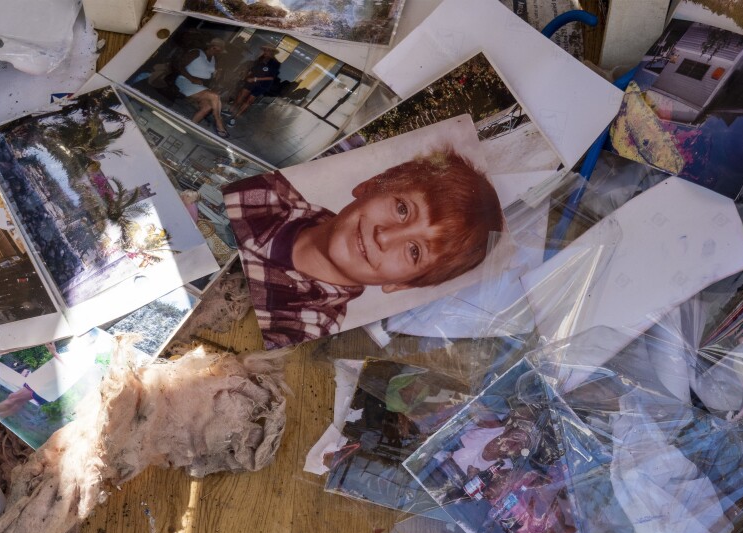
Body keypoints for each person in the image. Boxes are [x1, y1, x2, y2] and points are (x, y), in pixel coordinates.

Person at [223, 147, 503, 349]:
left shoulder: (306, 326)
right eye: (402, 209)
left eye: (415, 251)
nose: (385, 236)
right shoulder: (261, 187)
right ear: (371, 185)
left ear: (403, 284)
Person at [175, 38, 230, 138]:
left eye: (219, 50)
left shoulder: (213, 59)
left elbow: (207, 74)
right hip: (185, 80)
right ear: (210, 46)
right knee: (214, 96)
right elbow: (179, 65)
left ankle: (190, 127)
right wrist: (191, 78)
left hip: (198, 85)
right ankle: (219, 123)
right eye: (216, 48)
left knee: (207, 107)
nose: (217, 51)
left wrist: (216, 75)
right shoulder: (196, 53)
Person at [227, 45, 281, 123]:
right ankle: (230, 111)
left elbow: (271, 77)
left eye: (268, 50)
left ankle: (235, 118)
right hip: (251, 81)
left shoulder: (276, 63)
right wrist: (246, 74)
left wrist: (255, 79)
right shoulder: (260, 59)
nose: (265, 51)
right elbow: (253, 69)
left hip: (262, 85)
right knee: (240, 95)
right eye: (265, 50)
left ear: (272, 52)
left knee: (249, 101)